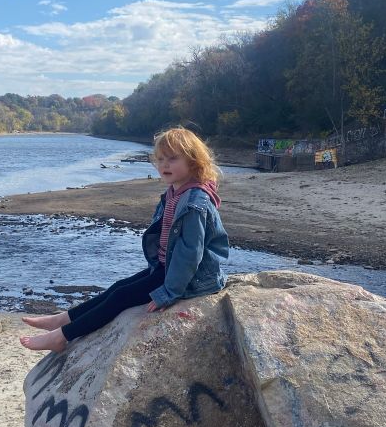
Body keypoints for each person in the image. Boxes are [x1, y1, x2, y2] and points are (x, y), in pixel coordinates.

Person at [19, 127, 230, 353]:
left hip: (192, 278)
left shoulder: (195, 202)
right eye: (160, 159)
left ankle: (62, 336)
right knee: (117, 287)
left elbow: (190, 253)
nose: (164, 165)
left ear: (194, 161)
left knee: (120, 297)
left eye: (172, 158)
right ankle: (63, 319)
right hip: (167, 268)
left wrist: (168, 293)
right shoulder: (176, 191)